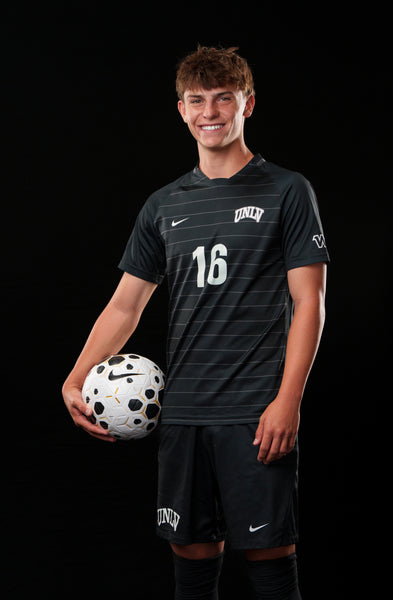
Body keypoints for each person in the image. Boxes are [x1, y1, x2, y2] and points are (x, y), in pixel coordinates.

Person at [62, 45, 329, 599]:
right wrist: (76, 376)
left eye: (223, 98)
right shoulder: (163, 204)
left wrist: (289, 401)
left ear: (247, 104)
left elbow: (310, 301)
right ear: (182, 110)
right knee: (191, 562)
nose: (210, 112)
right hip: (181, 415)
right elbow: (125, 305)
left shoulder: (287, 190)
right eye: (197, 100)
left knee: (269, 560)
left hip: (255, 413)